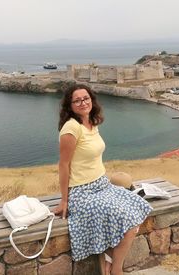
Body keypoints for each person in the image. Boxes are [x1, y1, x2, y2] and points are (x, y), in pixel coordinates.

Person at [53, 84, 152, 275]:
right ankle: (116, 269)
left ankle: (108, 259)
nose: (83, 102)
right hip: (82, 192)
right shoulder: (71, 128)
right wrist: (65, 200)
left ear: (92, 100)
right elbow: (63, 165)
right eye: (77, 100)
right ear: (70, 105)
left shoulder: (92, 122)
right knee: (128, 222)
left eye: (86, 98)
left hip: (102, 185)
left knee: (139, 205)